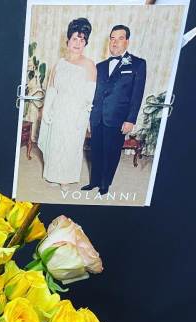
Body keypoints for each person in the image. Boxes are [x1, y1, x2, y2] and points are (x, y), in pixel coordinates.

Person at [82, 25, 147, 195]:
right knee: (96, 151)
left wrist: (131, 120)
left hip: (118, 118)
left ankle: (105, 185)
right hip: (97, 117)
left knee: (111, 152)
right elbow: (93, 93)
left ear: (127, 42)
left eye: (120, 38)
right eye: (112, 38)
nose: (115, 42)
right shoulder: (100, 66)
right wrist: (88, 116)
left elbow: (137, 95)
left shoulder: (138, 64)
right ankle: (94, 181)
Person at [37, 18, 96, 190]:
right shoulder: (59, 64)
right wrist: (46, 110)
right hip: (58, 110)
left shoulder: (89, 65)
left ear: (85, 43)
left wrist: (84, 117)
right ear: (68, 41)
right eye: (75, 38)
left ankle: (66, 179)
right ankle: (54, 175)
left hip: (75, 112)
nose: (78, 43)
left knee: (70, 146)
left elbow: (90, 95)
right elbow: (52, 89)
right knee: (55, 144)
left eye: (82, 40)